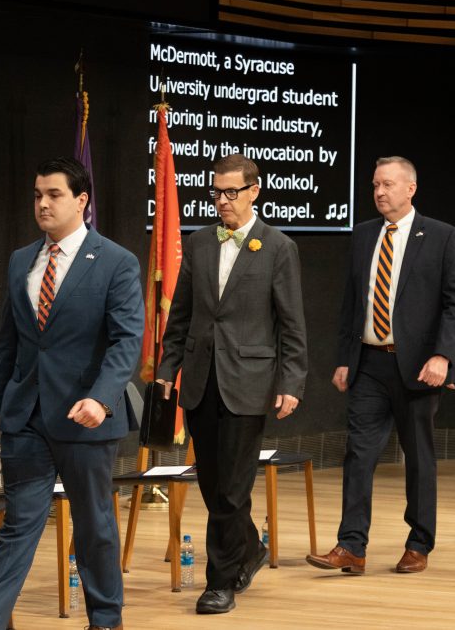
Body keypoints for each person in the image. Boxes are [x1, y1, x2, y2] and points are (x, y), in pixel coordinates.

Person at [0, 157, 143, 630]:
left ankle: (105, 619)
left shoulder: (116, 261)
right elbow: (10, 344)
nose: (42, 203)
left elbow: (126, 340)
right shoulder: (21, 261)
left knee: (94, 525)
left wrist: (101, 398)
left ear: (81, 200)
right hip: (26, 416)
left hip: (84, 416)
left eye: (54, 195)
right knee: (19, 522)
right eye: (37, 195)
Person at [156, 153, 307, 615]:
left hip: (250, 381)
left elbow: (291, 325)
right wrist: (166, 369)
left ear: (254, 191)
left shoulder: (277, 247)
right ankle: (250, 547)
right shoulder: (200, 244)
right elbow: (180, 315)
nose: (222, 201)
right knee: (212, 483)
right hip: (201, 380)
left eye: (231, 192)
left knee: (232, 489)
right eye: (216, 192)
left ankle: (219, 582)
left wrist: (292, 380)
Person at [307, 157, 455, 576]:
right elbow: (351, 304)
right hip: (369, 364)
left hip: (417, 367)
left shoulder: (441, 236)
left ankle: (418, 543)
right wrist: (344, 359)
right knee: (358, 454)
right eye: (375, 185)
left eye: (388, 185)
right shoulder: (362, 235)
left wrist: (443, 356)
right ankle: (351, 546)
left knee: (418, 458)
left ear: (411, 188)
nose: (379, 192)